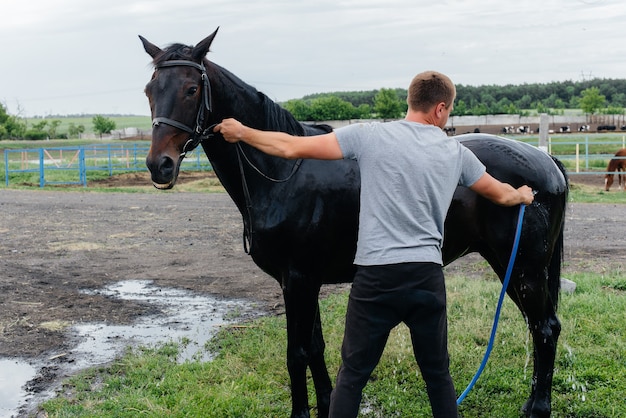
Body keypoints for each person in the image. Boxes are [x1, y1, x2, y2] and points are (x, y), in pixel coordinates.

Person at [214, 70, 534, 417]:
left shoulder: (370, 136)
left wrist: (242, 132)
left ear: (411, 101)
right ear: (440, 109)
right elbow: (500, 194)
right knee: (438, 377)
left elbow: (290, 147)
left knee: (351, 376)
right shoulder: (456, 153)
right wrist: (522, 194)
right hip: (426, 278)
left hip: (376, 280)